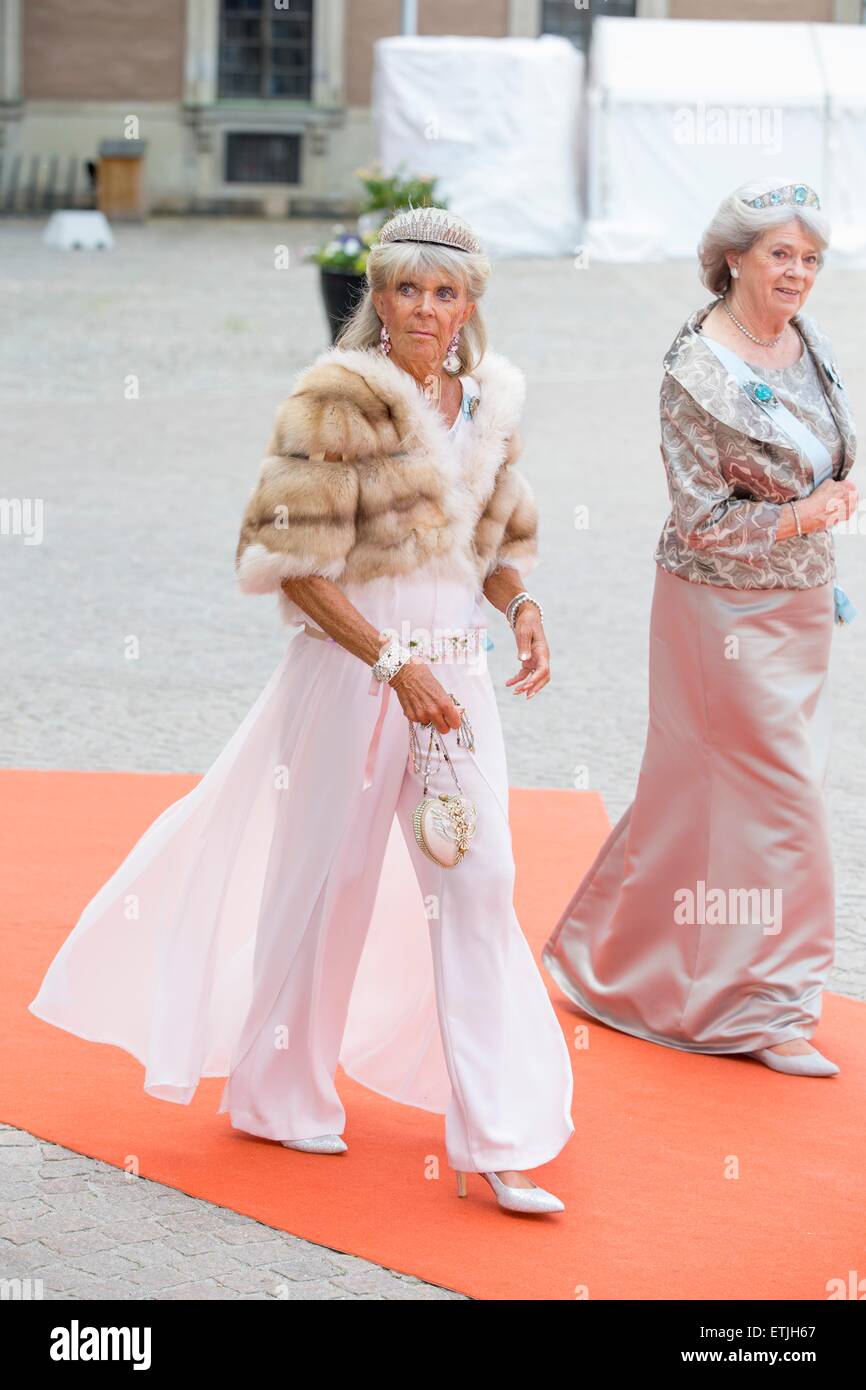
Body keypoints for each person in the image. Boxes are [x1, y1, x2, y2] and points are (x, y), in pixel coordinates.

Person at [29, 205, 574, 1214]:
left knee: (480, 879)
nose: (422, 305)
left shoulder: (489, 407)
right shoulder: (331, 401)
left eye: (443, 290)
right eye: (403, 287)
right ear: (376, 294)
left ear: (469, 305)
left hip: (454, 685)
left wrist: (524, 605)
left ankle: (494, 1138)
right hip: (347, 677)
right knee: (325, 885)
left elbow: (501, 547)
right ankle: (280, 1091)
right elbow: (287, 567)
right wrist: (387, 662)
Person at [543, 178, 858, 1078]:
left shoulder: (810, 343)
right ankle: (766, 1008)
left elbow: (824, 461)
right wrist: (810, 515)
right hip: (719, 608)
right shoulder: (696, 371)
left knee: (703, 793)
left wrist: (816, 520)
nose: (798, 272)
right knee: (781, 801)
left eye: (810, 258)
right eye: (780, 255)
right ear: (733, 259)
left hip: (799, 606)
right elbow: (701, 521)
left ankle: (614, 965)